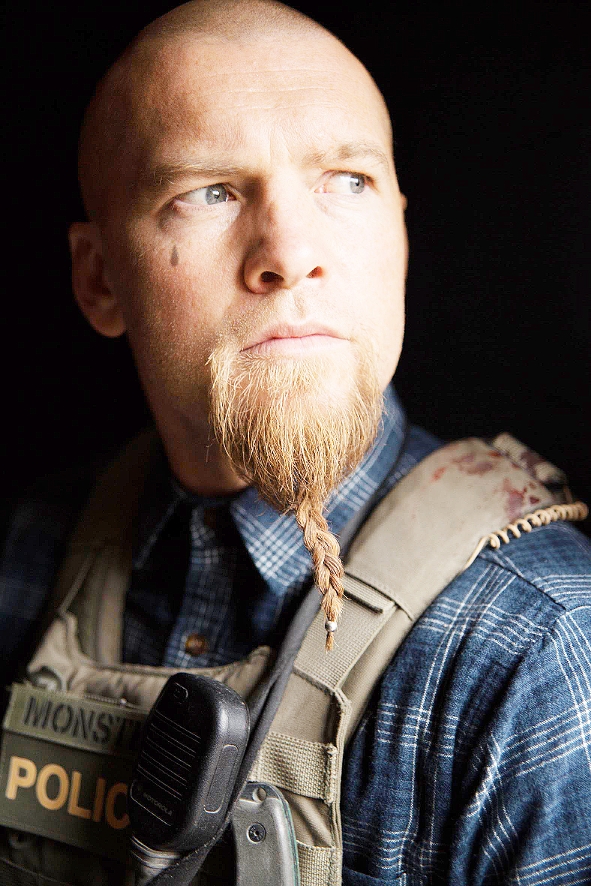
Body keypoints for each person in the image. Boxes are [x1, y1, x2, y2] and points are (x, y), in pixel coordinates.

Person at [0, 1, 590, 884]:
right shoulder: (28, 554)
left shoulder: (538, 650)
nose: (289, 252)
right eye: (209, 192)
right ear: (99, 280)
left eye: (346, 181)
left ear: (398, 235)